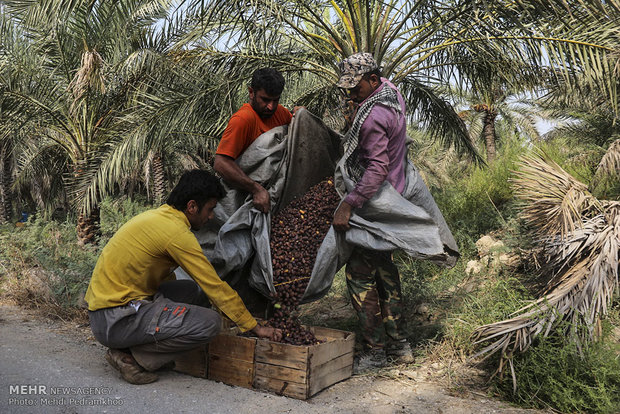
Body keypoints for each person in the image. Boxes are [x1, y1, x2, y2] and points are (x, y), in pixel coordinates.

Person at [85, 170, 282, 385]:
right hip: (115, 319)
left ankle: (144, 340)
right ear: (192, 206)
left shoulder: (160, 217)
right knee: (210, 324)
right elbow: (214, 286)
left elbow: (162, 275)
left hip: (108, 311)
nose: (211, 216)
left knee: (191, 290)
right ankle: (131, 357)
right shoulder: (176, 233)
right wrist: (254, 327)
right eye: (210, 209)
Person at [332, 52, 415, 370]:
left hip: (375, 201)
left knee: (360, 275)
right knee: (385, 271)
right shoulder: (391, 92)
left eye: (355, 88)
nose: (350, 95)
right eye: (347, 89)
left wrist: (348, 203)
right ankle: (400, 346)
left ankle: (376, 352)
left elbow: (376, 168)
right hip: (396, 196)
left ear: (372, 78)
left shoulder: (372, 117)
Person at [213, 67, 293, 213]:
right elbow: (221, 164)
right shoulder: (243, 119)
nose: (271, 106)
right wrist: (256, 189)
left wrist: (301, 115)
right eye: (265, 100)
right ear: (251, 92)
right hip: (243, 198)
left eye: (276, 100)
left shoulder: (281, 113)